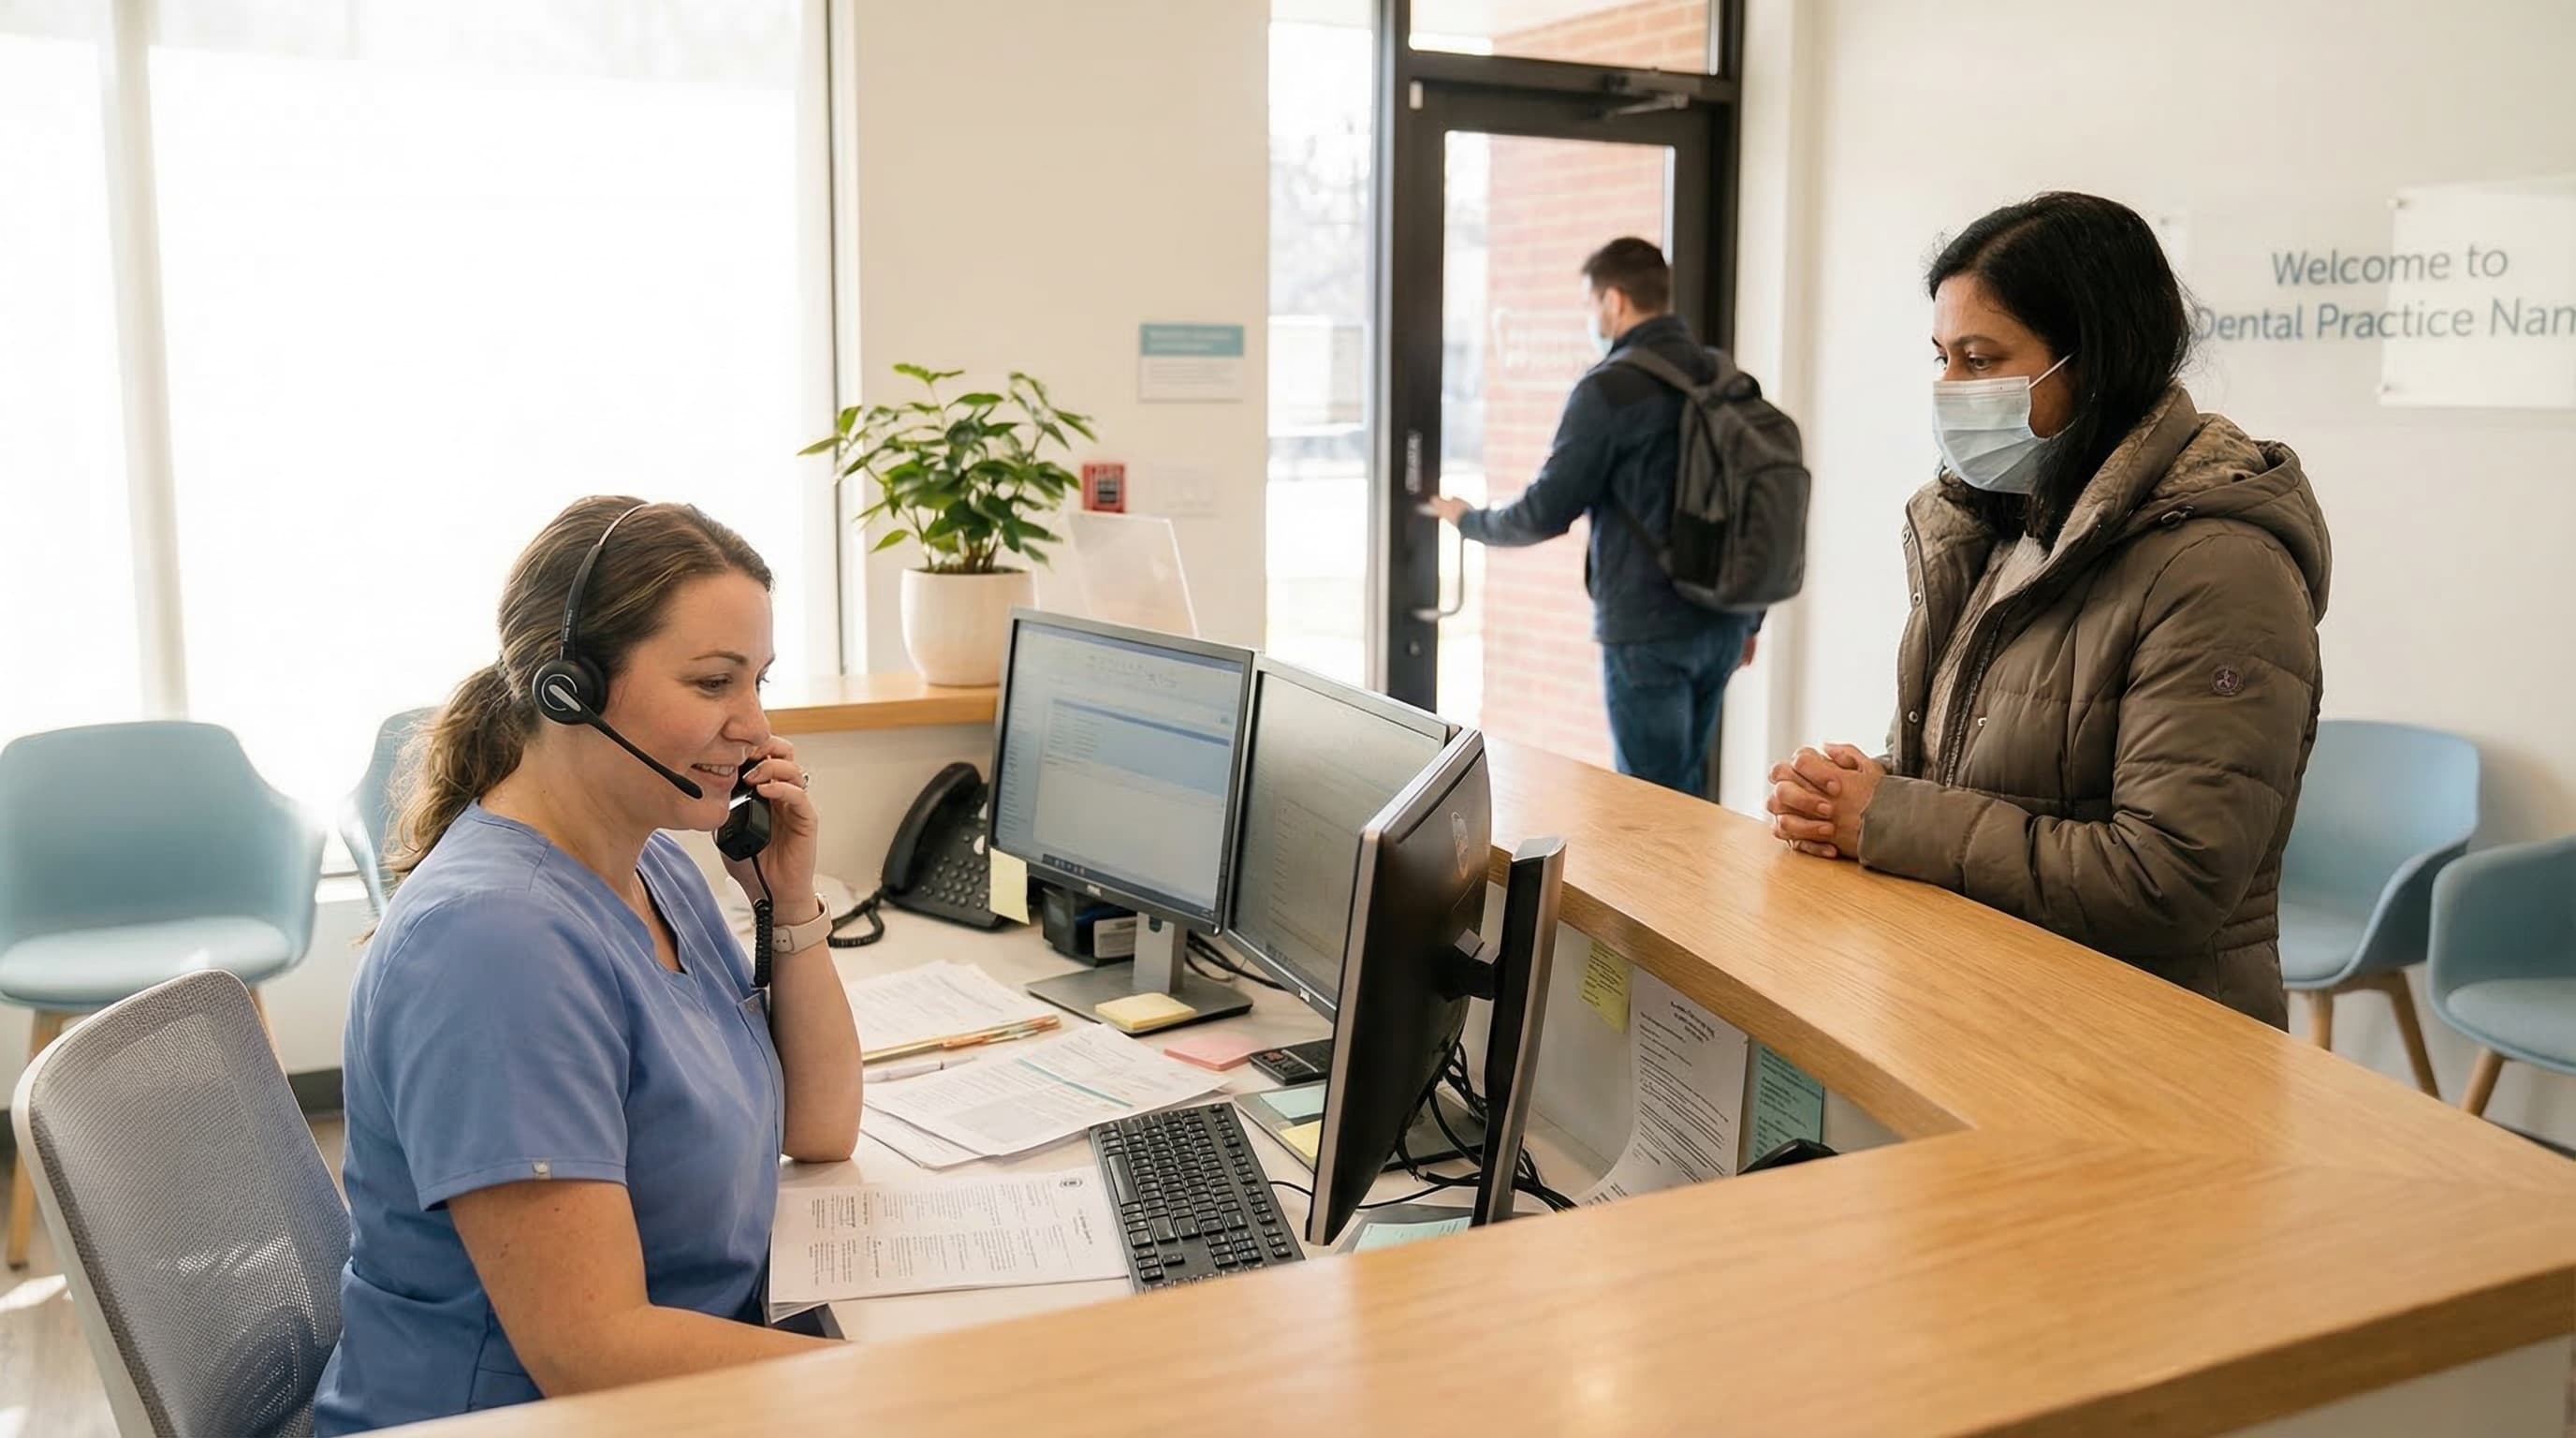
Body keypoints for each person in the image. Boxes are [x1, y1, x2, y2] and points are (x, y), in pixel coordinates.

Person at [315, 498, 863, 1433]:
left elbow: (818, 1128)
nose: (754, 725)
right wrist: (917, 1379)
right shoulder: (496, 943)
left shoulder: (648, 862)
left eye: (758, 682)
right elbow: (590, 1351)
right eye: (711, 683)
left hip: (664, 1388)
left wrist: (790, 902)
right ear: (565, 688)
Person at [1765, 193, 2330, 1028]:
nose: (1948, 388)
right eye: (1941, 357)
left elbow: (2165, 880)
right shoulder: (2010, 529)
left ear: (2092, 360)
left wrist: (1890, 817)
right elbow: (1970, 782)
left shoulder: (2220, 571)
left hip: (2147, 1045)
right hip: (1995, 1008)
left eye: (1980, 358)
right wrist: (1861, 793)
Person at [1428, 237, 1762, 798]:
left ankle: (1662, 889)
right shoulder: (1723, 378)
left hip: (1647, 627)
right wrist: (1750, 618)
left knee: (1652, 805)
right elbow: (1755, 503)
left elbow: (1546, 509)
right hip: (1725, 618)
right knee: (1691, 798)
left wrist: (1470, 521)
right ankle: (1690, 886)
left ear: (1613, 300)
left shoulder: (1609, 388)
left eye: (1592, 305)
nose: (1594, 317)